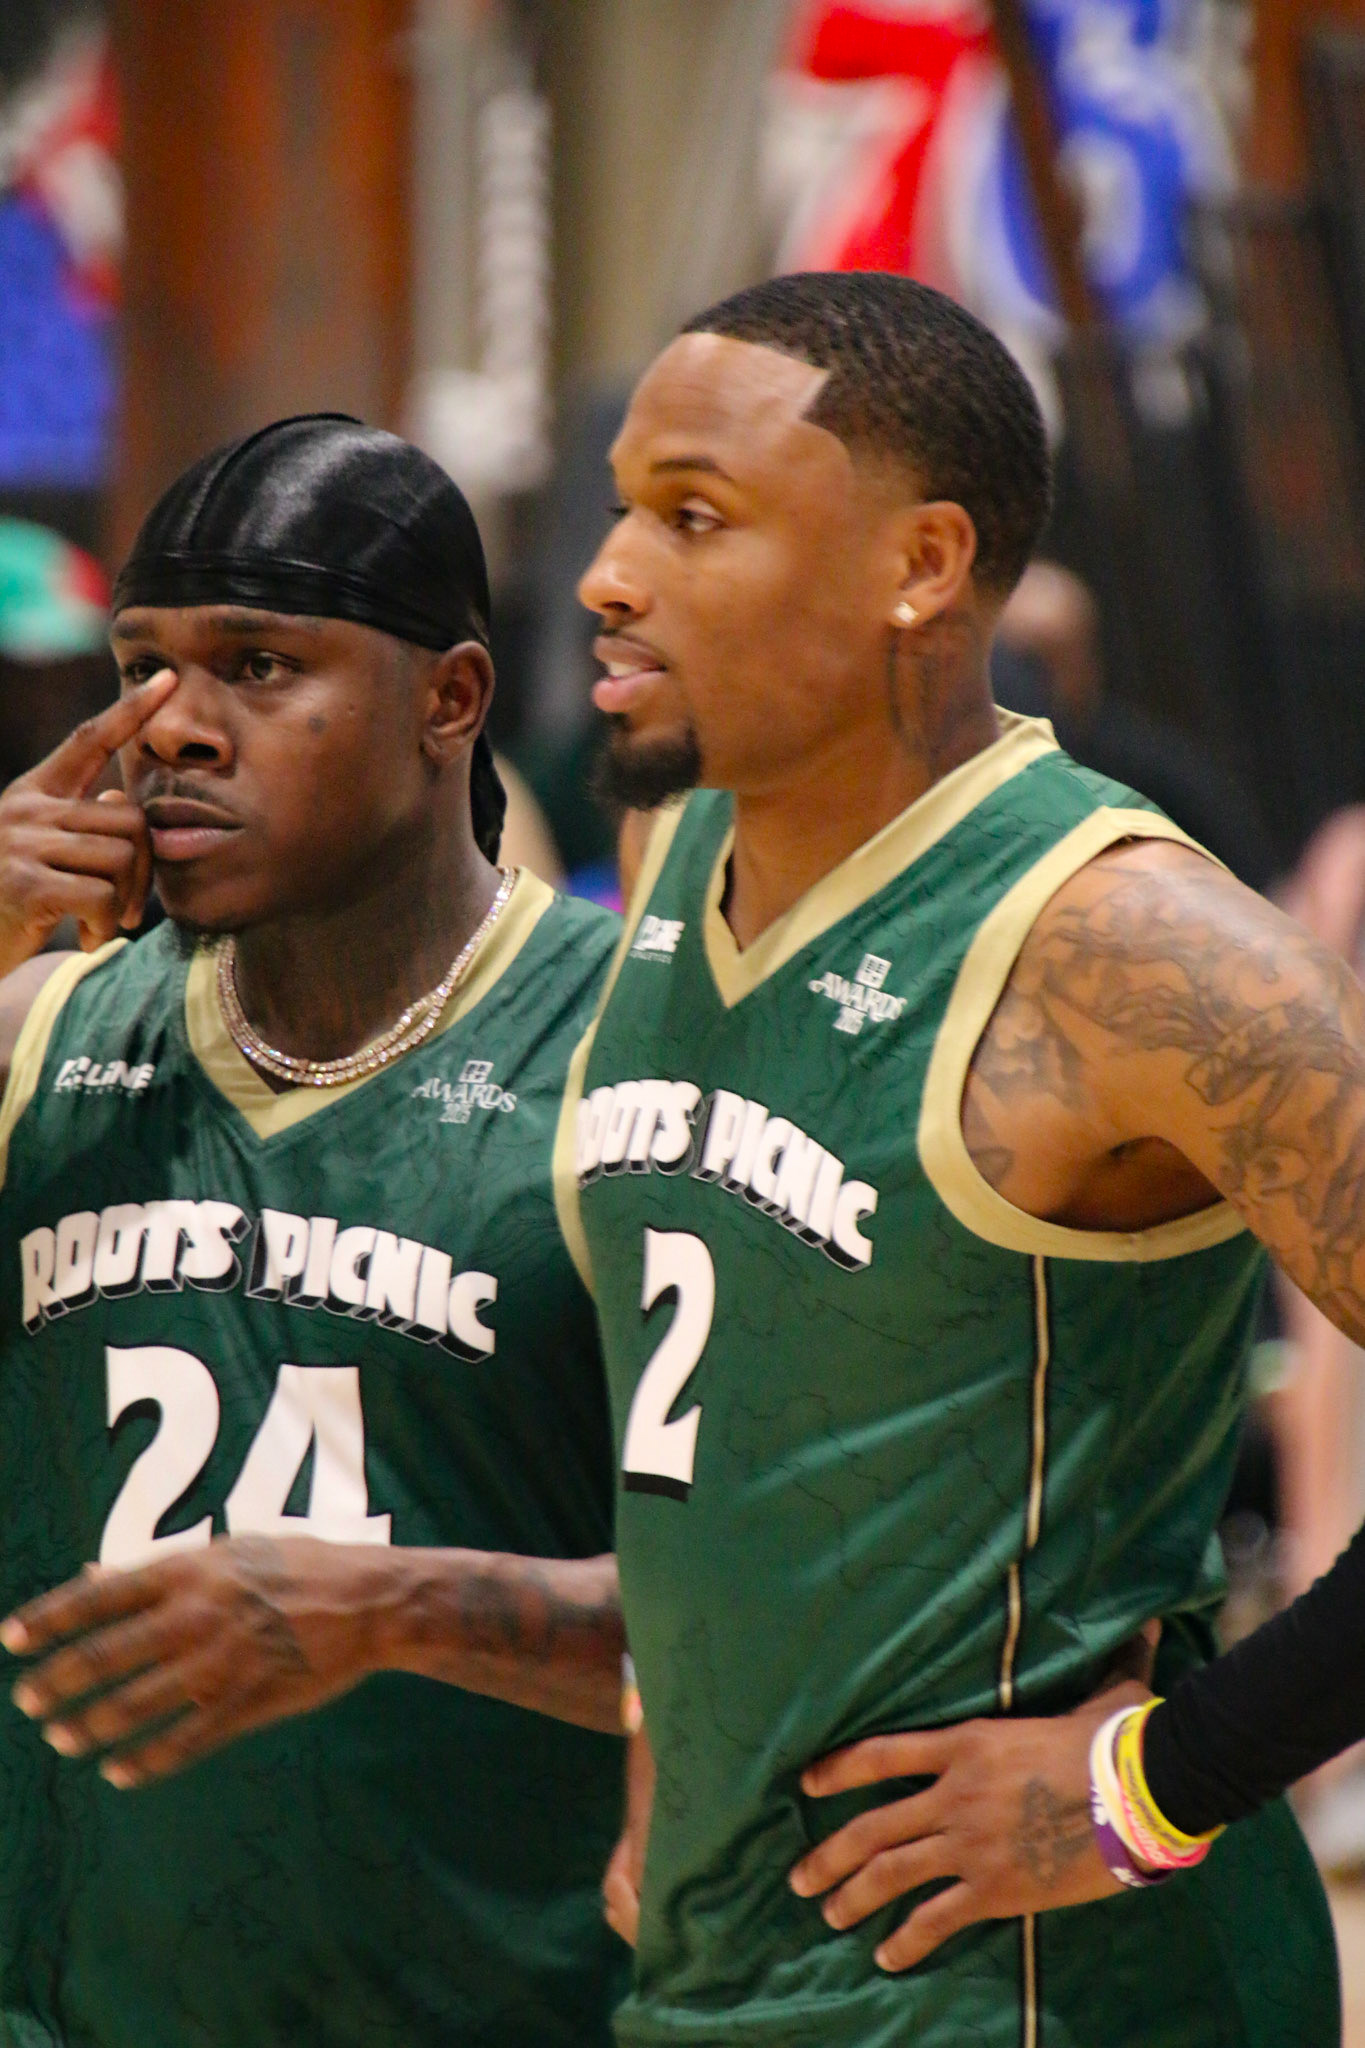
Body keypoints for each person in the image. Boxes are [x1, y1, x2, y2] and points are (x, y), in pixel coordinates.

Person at [564, 270, 1349, 2046]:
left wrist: (1160, 1783)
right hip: (723, 1975)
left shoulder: (1134, 950)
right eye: (620, 507)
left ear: (918, 564)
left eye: (693, 516)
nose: (609, 572)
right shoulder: (676, 854)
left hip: (1046, 1994)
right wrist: (661, 1719)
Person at [0, 415, 629, 2046]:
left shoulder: (634, 1053)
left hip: (503, 2004)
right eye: (141, 668)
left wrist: (389, 1606)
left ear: (450, 700)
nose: (169, 729)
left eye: (258, 666)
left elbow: (766, 1627)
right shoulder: (36, 1031)